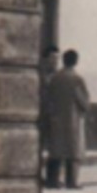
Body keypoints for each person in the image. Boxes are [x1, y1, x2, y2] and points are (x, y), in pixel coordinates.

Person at [42, 49, 90, 189]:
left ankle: (52, 181)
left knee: (55, 151)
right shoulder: (77, 79)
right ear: (75, 61)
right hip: (72, 120)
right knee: (73, 151)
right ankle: (71, 182)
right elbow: (83, 102)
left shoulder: (54, 78)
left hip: (55, 119)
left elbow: (48, 98)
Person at [37, 45, 60, 182]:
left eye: (57, 58)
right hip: (41, 115)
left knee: (55, 148)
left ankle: (53, 178)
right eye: (53, 58)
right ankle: (37, 175)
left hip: (54, 116)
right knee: (38, 147)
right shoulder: (39, 75)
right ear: (45, 59)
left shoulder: (58, 75)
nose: (56, 61)